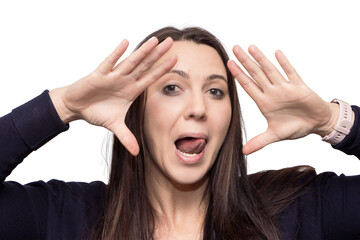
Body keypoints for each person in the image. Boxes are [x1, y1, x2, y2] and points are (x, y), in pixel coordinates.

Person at [0, 26, 359, 240]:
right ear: (136, 112)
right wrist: (60, 106)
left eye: (215, 91)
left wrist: (332, 121)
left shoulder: (299, 210)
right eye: (172, 88)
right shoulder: (66, 217)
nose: (198, 108)